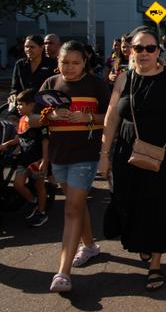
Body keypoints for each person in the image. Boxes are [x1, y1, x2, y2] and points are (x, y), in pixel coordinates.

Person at [100, 26, 166, 291]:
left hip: (164, 154)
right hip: (127, 152)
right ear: (130, 50)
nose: (144, 53)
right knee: (129, 201)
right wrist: (104, 154)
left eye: (150, 48)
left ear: (158, 51)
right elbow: (111, 118)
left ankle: (155, 263)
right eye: (138, 48)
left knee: (159, 206)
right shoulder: (123, 79)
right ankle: (143, 243)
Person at [36, 41, 110, 293]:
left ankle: (63, 273)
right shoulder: (50, 84)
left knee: (72, 209)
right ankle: (90, 246)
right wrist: (49, 116)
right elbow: (31, 117)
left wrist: (88, 117)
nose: (69, 67)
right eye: (64, 62)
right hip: (59, 155)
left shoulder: (96, 85)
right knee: (75, 205)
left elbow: (112, 117)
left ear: (85, 62)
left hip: (85, 155)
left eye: (75, 63)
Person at [11, 89, 50, 227]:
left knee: (39, 186)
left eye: (21, 104)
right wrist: (5, 144)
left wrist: (45, 160)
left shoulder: (39, 121)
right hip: (24, 159)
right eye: (17, 104)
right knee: (18, 184)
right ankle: (33, 201)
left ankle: (41, 211)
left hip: (36, 160)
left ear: (31, 105)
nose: (18, 107)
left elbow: (46, 141)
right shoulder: (22, 119)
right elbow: (19, 138)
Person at [10, 34, 58, 103]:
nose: (28, 49)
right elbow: (15, 87)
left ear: (41, 48)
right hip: (25, 105)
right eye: (26, 47)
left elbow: (55, 86)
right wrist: (13, 95)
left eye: (32, 47)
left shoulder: (52, 64)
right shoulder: (20, 64)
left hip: (45, 103)